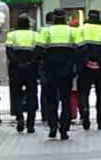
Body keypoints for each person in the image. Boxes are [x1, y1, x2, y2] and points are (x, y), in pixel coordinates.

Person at [38, 8, 78, 140]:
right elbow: (81, 50)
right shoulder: (72, 31)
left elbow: (38, 51)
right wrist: (75, 66)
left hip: (50, 71)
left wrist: (41, 69)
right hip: (66, 72)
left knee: (51, 101)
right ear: (65, 17)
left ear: (54, 18)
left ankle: (53, 127)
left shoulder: (46, 31)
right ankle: (64, 130)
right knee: (65, 100)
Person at [75, 10, 101, 130]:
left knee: (83, 93)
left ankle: (85, 114)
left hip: (84, 67)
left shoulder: (81, 29)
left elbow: (78, 47)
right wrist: (99, 62)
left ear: (88, 17)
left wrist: (87, 61)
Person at [5, 14, 41, 133]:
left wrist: (18, 63)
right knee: (32, 95)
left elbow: (9, 52)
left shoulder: (11, 35)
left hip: (16, 69)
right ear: (28, 25)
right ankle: (31, 124)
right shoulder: (35, 35)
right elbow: (37, 53)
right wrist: (30, 64)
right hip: (31, 70)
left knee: (17, 95)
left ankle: (20, 117)